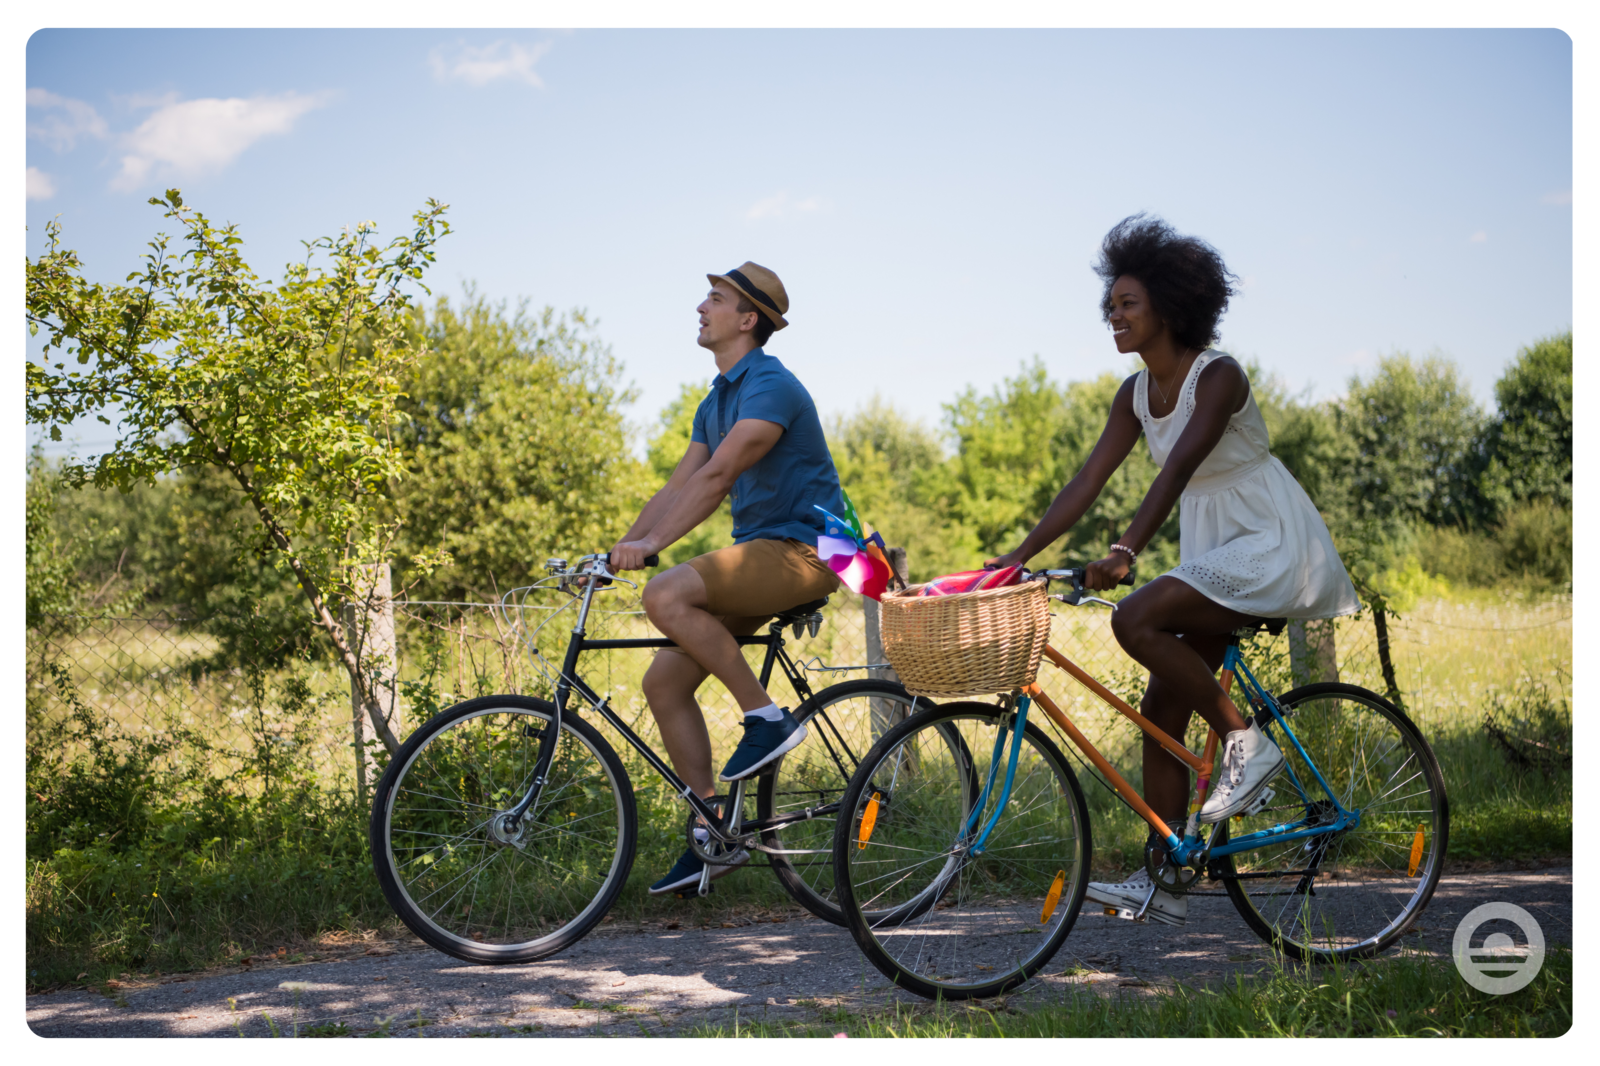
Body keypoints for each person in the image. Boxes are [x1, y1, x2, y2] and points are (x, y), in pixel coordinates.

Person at [987, 216, 1359, 926]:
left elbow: (1180, 467)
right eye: (1110, 306)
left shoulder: (1218, 375)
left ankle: (1246, 744)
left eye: (1127, 303)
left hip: (1269, 539)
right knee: (1161, 713)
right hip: (1214, 551)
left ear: (1168, 304)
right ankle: (1163, 876)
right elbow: (1086, 481)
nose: (1113, 316)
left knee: (1137, 615)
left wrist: (1126, 550)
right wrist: (1018, 555)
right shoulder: (1132, 394)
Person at [608, 262, 847, 896]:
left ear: (748, 319)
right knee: (663, 682)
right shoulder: (717, 399)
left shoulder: (771, 385)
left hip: (813, 550)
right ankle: (714, 831)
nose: (700, 307)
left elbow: (716, 481)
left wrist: (653, 549)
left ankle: (768, 719)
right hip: (764, 551)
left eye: (713, 299)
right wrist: (617, 552)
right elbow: (679, 484)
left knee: (666, 592)